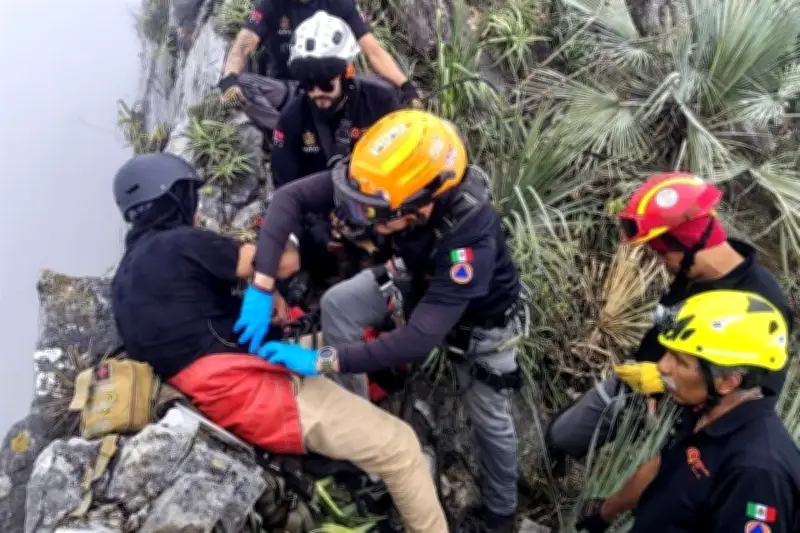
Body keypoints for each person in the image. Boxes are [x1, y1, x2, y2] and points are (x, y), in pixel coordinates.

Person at [109, 152, 449, 533]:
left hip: (214, 386)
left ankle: (362, 419)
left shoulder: (124, 279)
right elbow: (278, 263)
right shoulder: (179, 243)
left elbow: (191, 321)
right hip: (249, 390)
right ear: (176, 198)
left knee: (343, 339)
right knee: (400, 448)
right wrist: (301, 239)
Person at [232, 109, 524, 533]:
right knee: (339, 305)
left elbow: (419, 338)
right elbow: (288, 199)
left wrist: (322, 361)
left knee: (491, 418)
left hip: (477, 324)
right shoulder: (385, 184)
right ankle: (363, 427)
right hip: (412, 279)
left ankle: (502, 515)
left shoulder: (469, 236)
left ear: (422, 203)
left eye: (376, 211)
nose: (362, 215)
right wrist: (261, 288)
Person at [545, 172, 794, 463]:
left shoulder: (760, 305)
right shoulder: (694, 275)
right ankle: (552, 462)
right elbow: (669, 323)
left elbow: (756, 393)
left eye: (662, 254)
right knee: (561, 435)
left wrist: (664, 383)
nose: (660, 262)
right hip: (637, 381)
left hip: (683, 419)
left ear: (687, 245)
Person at [576, 289, 800, 533]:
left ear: (727, 382)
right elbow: (664, 467)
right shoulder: (704, 409)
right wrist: (604, 513)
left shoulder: (757, 474)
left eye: (680, 361)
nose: (662, 365)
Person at [271, 10, 400, 292]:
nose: (317, 92)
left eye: (326, 83)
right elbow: (284, 187)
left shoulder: (381, 102)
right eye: (307, 85)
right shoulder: (292, 120)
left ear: (347, 72)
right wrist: (315, 230)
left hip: (381, 208)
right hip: (321, 216)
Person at [219, 0, 421, 108]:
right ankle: (283, 129)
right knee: (242, 84)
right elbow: (244, 44)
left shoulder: (339, 3)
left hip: (334, 85)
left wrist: (405, 85)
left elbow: (372, 50)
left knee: (386, 93)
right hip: (288, 88)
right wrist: (229, 78)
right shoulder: (272, 4)